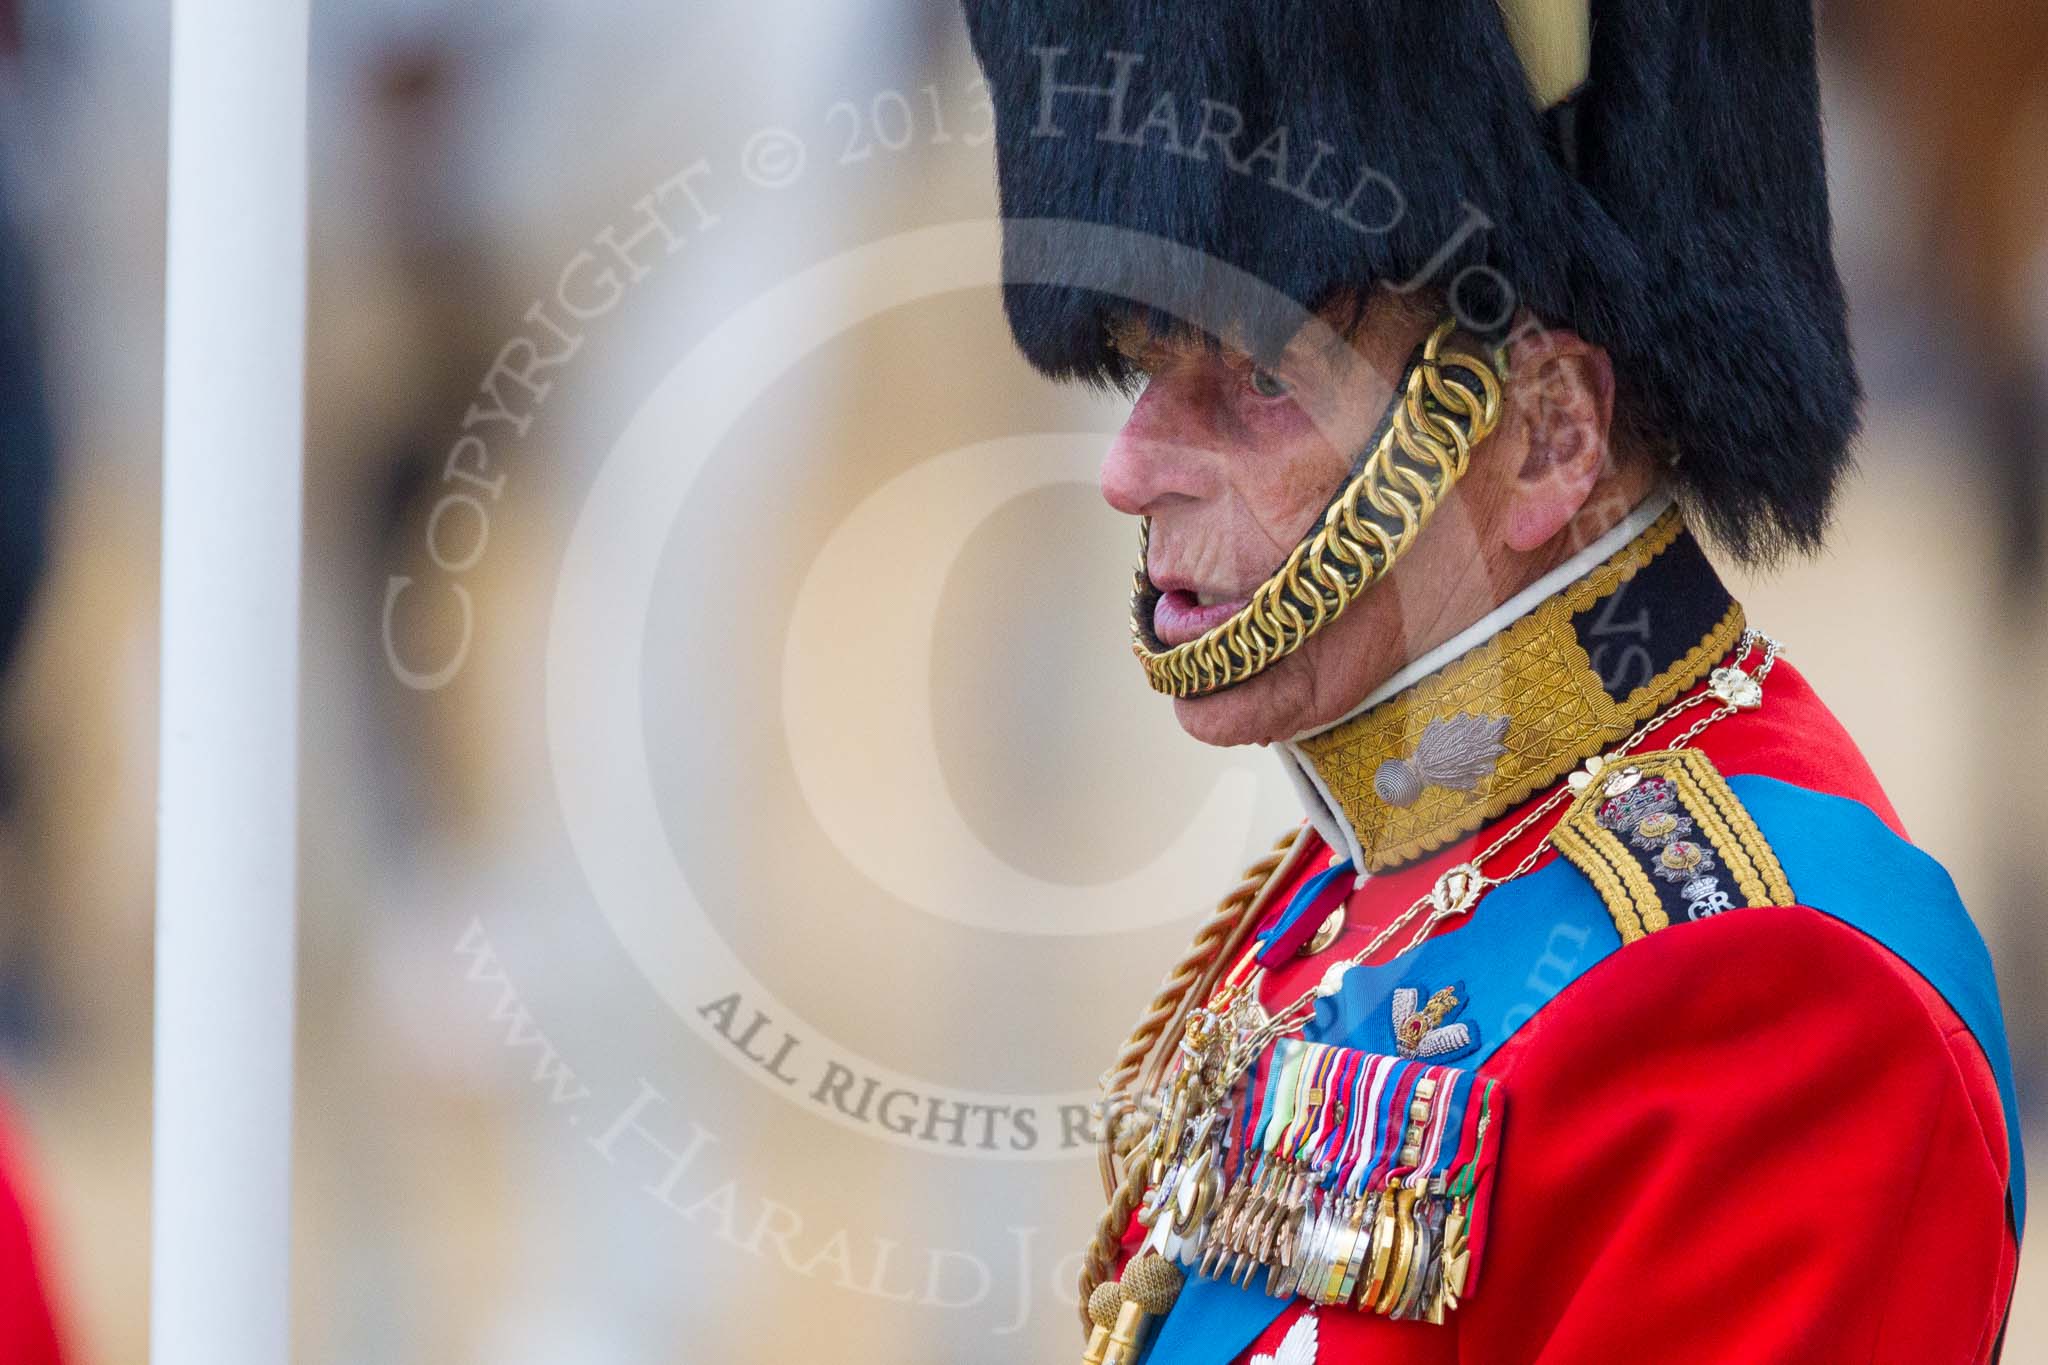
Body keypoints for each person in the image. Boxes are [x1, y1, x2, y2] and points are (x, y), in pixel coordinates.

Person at [960, 0, 2023, 1361]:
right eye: (1150, 366)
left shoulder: (1780, 999)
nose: (1129, 466)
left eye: (1257, 383)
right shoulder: (1383, 853)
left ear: (1547, 434)